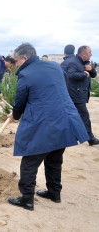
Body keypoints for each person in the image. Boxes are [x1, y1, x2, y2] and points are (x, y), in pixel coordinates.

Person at [7, 43, 88, 211]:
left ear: (25, 58)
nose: (16, 65)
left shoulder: (26, 74)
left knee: (29, 160)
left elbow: (20, 101)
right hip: (65, 119)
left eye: (16, 61)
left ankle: (27, 199)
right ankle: (54, 193)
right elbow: (62, 86)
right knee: (54, 158)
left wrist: (14, 115)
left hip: (44, 122)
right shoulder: (54, 66)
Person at [66, 45, 99, 146]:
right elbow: (70, 75)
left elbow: (93, 75)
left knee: (75, 116)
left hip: (80, 94)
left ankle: (73, 136)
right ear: (83, 54)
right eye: (90, 53)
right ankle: (90, 138)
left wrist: (91, 69)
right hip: (75, 94)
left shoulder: (85, 63)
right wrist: (84, 74)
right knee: (84, 117)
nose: (91, 54)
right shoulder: (73, 62)